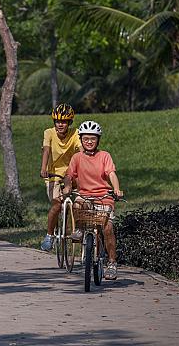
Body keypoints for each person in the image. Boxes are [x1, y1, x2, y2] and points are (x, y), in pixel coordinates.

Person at [62, 120, 124, 280]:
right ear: (81, 139)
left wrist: (116, 188)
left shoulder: (104, 156)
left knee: (108, 229)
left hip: (104, 196)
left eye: (93, 139)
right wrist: (68, 187)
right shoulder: (77, 157)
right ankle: (80, 230)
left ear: (98, 140)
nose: (89, 142)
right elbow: (69, 175)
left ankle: (111, 263)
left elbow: (111, 173)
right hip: (84, 195)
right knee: (77, 203)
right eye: (86, 138)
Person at [40, 103, 81, 251]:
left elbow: (81, 150)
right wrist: (43, 168)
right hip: (53, 175)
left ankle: (77, 229)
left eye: (63, 121)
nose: (60, 125)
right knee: (56, 205)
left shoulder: (75, 133)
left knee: (81, 202)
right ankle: (49, 235)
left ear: (69, 122)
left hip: (71, 174)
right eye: (57, 121)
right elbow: (46, 150)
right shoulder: (49, 133)